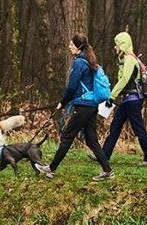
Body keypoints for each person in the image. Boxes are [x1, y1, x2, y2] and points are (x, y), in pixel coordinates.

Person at [35, 33, 114, 181]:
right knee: (91, 140)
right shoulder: (89, 60)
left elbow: (72, 87)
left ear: (78, 47)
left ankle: (51, 169)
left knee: (66, 136)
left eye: (71, 45)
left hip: (83, 106)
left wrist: (63, 102)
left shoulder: (79, 63)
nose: (69, 47)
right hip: (91, 106)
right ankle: (107, 171)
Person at [100, 32, 147, 166]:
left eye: (117, 44)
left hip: (132, 100)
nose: (115, 47)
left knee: (138, 129)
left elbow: (125, 79)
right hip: (127, 100)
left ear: (123, 44)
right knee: (115, 127)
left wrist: (112, 96)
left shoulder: (130, 59)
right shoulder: (126, 59)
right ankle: (103, 155)